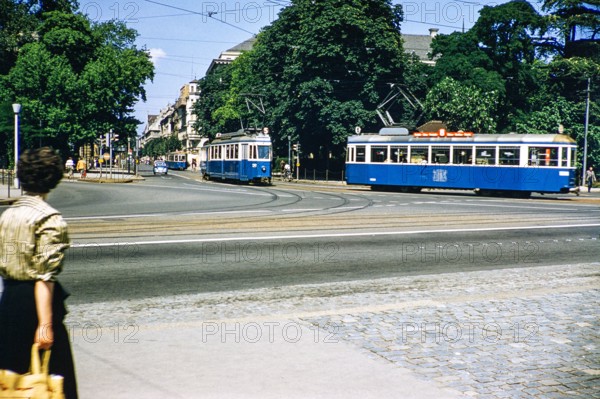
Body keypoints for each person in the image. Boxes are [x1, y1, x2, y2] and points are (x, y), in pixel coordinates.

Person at [0, 147, 78, 399]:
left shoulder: (7, 214)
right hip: (36, 306)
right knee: (50, 385)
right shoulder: (50, 220)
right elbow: (44, 278)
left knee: (11, 383)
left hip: (9, 304)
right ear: (54, 179)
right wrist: (45, 325)